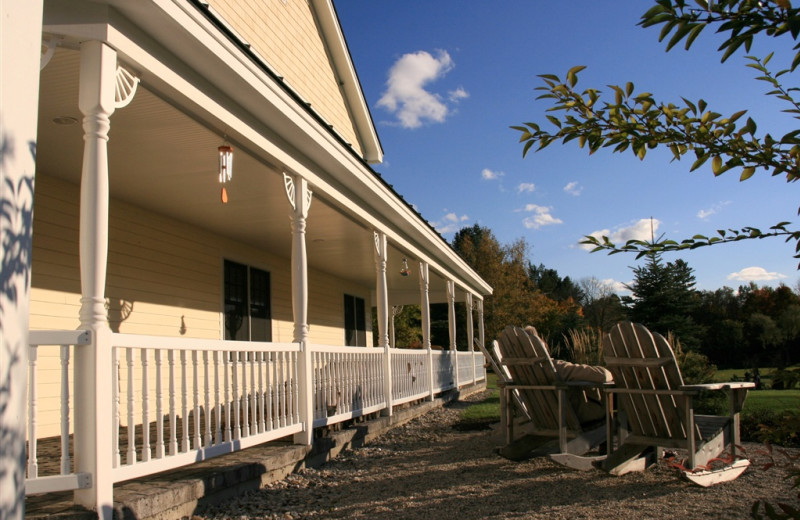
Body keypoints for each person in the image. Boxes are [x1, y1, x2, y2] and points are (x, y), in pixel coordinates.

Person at [524, 326, 612, 424]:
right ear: (543, 347)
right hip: (578, 416)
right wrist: (613, 372)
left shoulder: (522, 373)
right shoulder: (556, 368)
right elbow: (603, 375)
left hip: (545, 417)